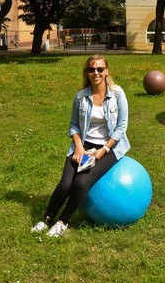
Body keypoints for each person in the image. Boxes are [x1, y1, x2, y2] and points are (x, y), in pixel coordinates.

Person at [31, 55, 130, 237]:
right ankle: (46, 219)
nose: (96, 73)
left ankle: (63, 221)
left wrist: (102, 151)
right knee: (65, 184)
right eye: (92, 69)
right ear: (87, 72)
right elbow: (74, 125)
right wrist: (78, 147)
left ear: (107, 71)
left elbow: (121, 126)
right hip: (83, 146)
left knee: (81, 183)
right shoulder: (81, 97)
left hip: (109, 147)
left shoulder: (117, 94)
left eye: (100, 69)